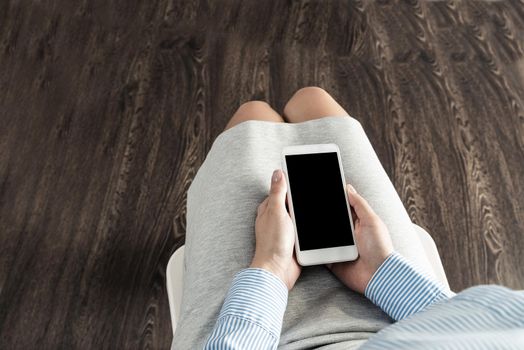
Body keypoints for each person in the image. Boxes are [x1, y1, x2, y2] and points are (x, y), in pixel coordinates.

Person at [172, 88, 524, 349]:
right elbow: (484, 328)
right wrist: (384, 273)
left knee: (253, 116)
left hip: (247, 335)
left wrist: (271, 269)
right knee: (312, 100)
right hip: (414, 313)